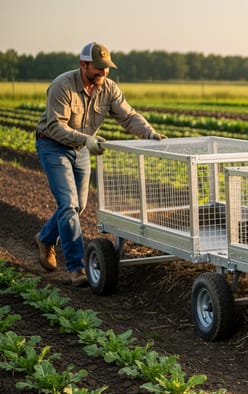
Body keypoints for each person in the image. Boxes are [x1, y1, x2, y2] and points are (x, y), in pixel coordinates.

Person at [34, 42, 165, 287]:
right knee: (69, 205)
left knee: (79, 206)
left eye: (107, 69)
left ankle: (45, 238)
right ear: (83, 65)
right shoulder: (62, 86)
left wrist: (150, 134)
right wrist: (86, 139)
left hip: (82, 149)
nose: (103, 74)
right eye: (98, 69)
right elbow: (55, 126)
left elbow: (128, 116)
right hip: (53, 146)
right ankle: (75, 268)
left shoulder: (109, 88)